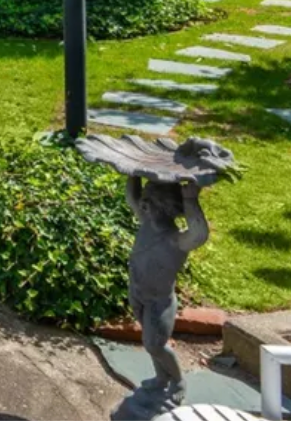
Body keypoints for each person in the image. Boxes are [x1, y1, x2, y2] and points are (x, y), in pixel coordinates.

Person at [125, 175, 210, 408]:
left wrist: (190, 198)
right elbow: (131, 197)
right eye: (145, 200)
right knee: (148, 339)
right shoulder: (146, 221)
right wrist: (133, 171)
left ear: (167, 207)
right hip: (138, 293)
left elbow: (199, 233)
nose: (143, 204)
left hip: (159, 302)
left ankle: (179, 381)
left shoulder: (176, 240)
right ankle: (161, 377)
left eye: (149, 201)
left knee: (155, 344)